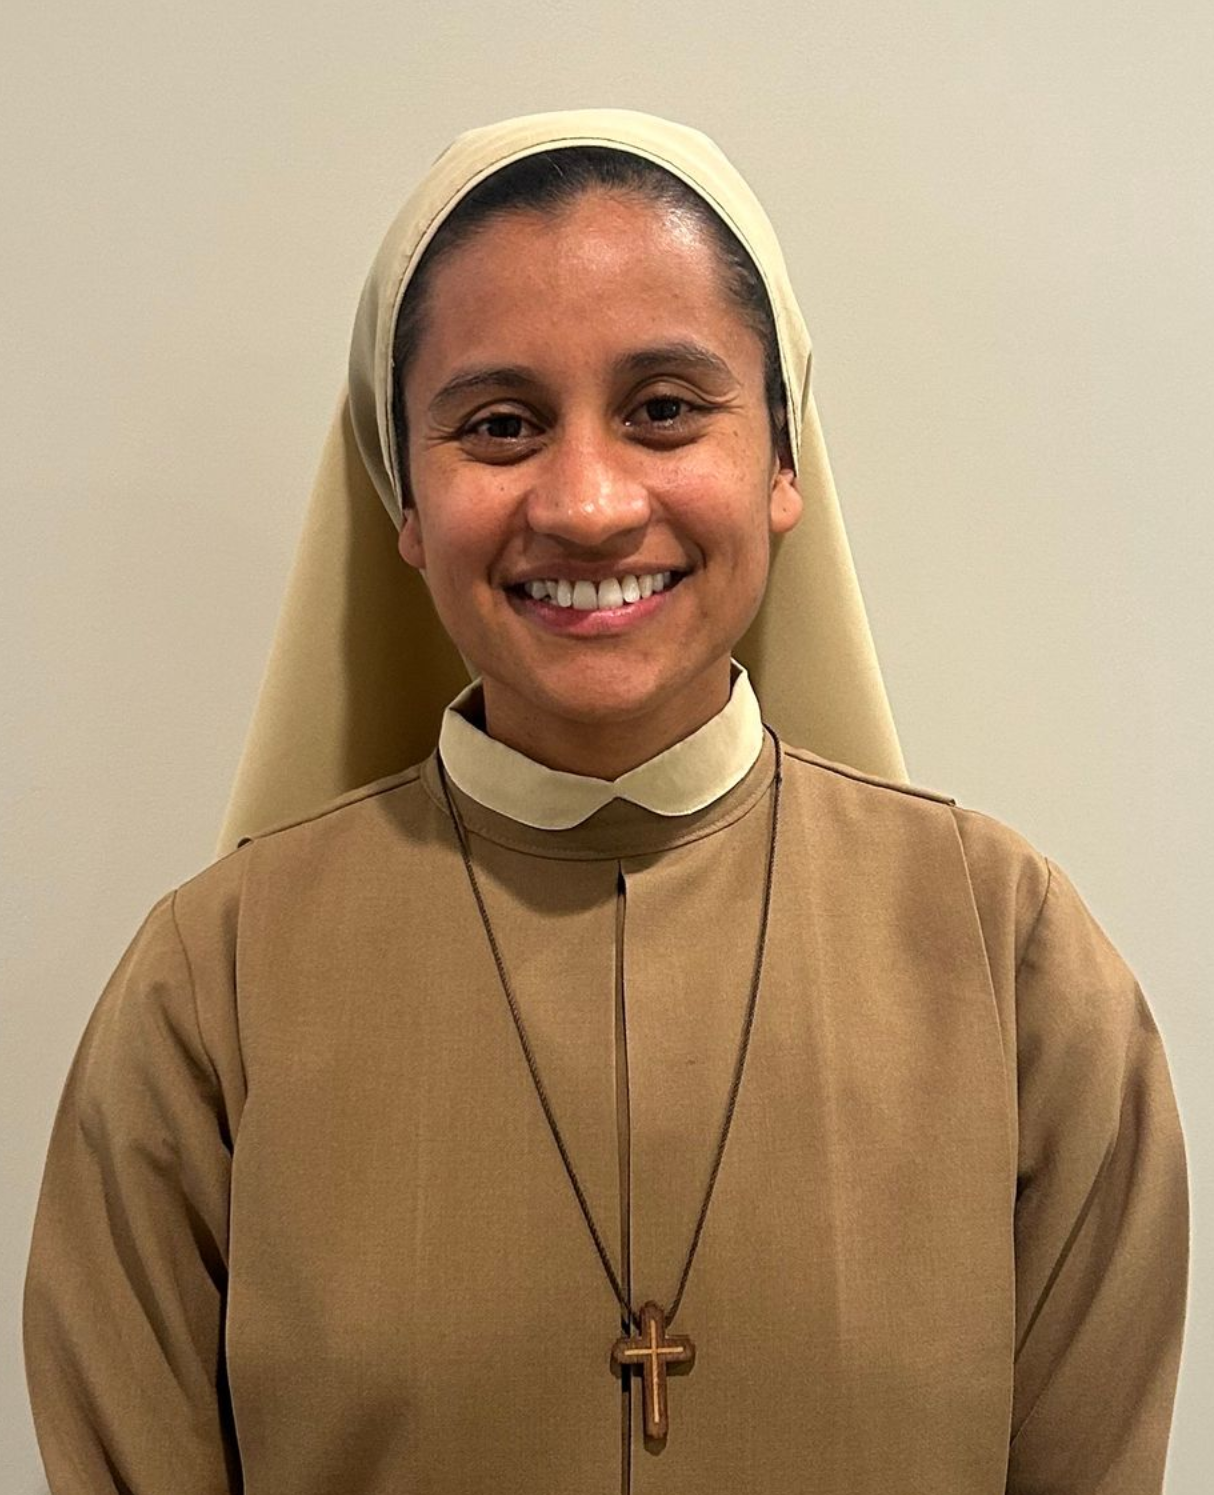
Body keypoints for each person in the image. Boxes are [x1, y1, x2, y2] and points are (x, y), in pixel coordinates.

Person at [24, 109, 1188, 1494]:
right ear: (403, 497)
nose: (585, 503)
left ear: (783, 463)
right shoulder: (206, 996)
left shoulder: (1015, 966)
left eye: (664, 409)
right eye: (500, 425)